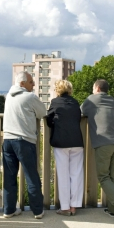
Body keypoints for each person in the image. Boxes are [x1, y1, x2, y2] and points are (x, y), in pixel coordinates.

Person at [80, 79, 114, 223]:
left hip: (103, 142)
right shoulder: (113, 101)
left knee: (103, 175)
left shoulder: (91, 100)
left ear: (96, 88)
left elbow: (81, 111)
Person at [2, 71, 47, 219]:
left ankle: (9, 210)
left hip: (7, 140)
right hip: (24, 141)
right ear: (22, 84)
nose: (33, 84)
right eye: (31, 82)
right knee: (31, 176)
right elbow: (43, 112)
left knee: (9, 177)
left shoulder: (8, 96)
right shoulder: (30, 97)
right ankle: (37, 211)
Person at [46, 80, 84, 216]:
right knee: (76, 174)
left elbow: (49, 120)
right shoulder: (75, 103)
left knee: (63, 175)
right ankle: (74, 206)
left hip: (61, 142)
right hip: (77, 141)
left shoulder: (55, 102)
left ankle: (65, 207)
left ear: (58, 90)